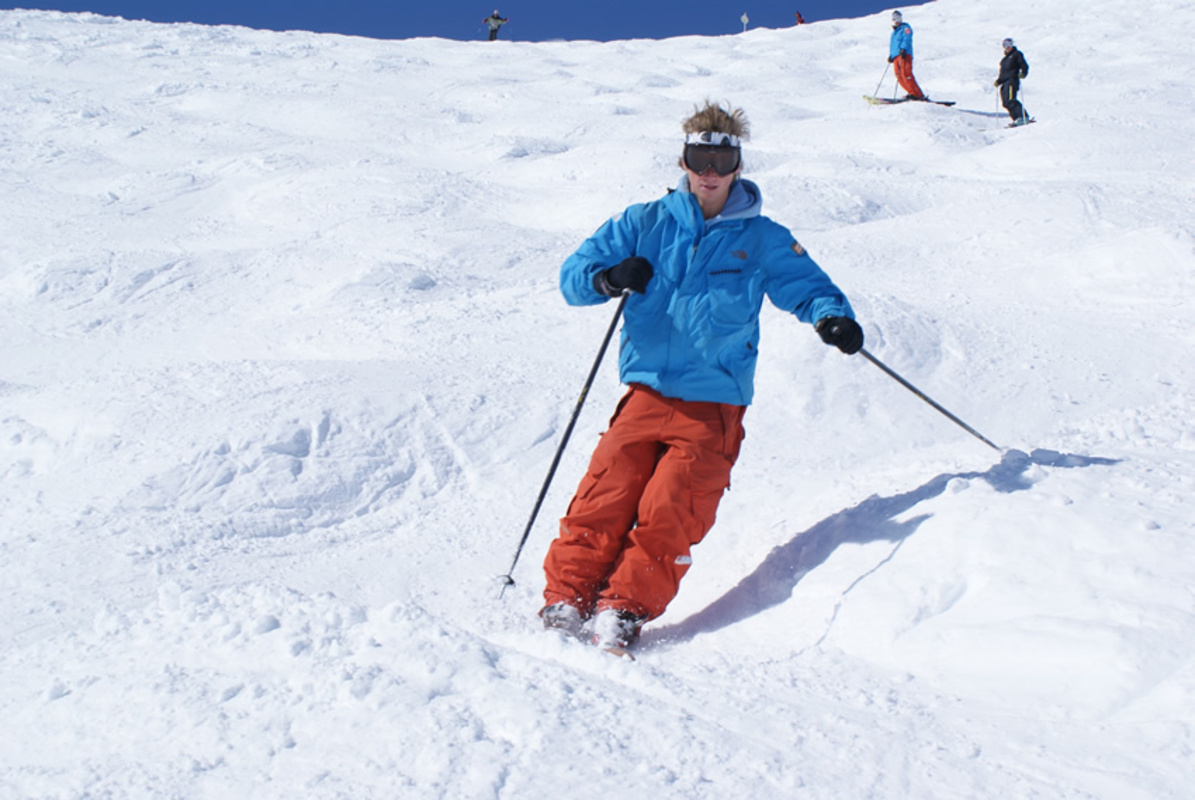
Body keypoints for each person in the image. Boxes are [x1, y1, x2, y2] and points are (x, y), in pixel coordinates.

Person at [540, 101, 864, 652]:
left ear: (738, 166)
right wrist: (609, 278)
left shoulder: (761, 237)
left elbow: (809, 287)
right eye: (699, 159)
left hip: (713, 403)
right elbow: (574, 276)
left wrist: (832, 318)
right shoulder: (643, 222)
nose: (710, 173)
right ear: (683, 162)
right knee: (605, 493)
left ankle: (622, 608)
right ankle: (567, 597)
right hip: (645, 391)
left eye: (723, 161)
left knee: (672, 507)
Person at [888, 10, 927, 100]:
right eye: (894, 18)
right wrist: (891, 55)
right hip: (896, 56)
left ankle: (917, 94)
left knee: (905, 73)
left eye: (898, 18)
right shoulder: (894, 32)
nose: (896, 21)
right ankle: (911, 92)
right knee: (898, 75)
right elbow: (893, 45)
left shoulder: (906, 28)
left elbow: (907, 39)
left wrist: (903, 48)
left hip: (904, 54)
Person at [995, 38, 1031, 125]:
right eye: (1005, 45)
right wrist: (999, 81)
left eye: (1009, 44)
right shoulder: (1004, 60)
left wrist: (1023, 73)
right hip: (1004, 83)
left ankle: (1022, 117)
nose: (1007, 47)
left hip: (1012, 81)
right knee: (1005, 103)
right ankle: (1017, 119)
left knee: (1011, 100)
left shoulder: (1016, 54)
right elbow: (1003, 73)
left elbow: (1023, 65)